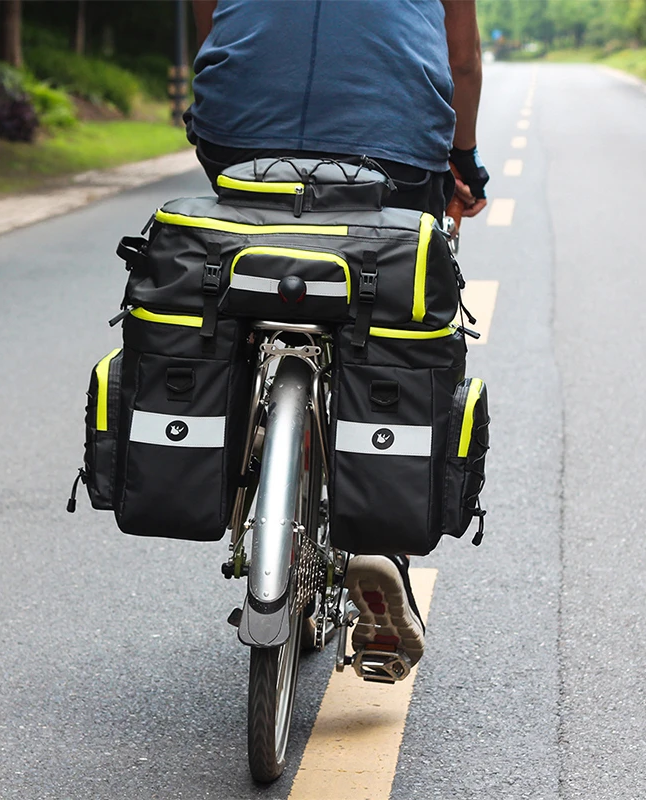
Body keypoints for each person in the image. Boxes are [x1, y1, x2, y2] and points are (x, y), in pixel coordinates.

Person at [185, 0, 489, 671]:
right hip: (394, 144)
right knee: (385, 316)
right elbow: (462, 59)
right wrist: (462, 159)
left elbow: (211, 22)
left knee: (253, 258)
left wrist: (230, 95)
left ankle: (241, 451)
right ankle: (382, 545)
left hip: (238, 128)